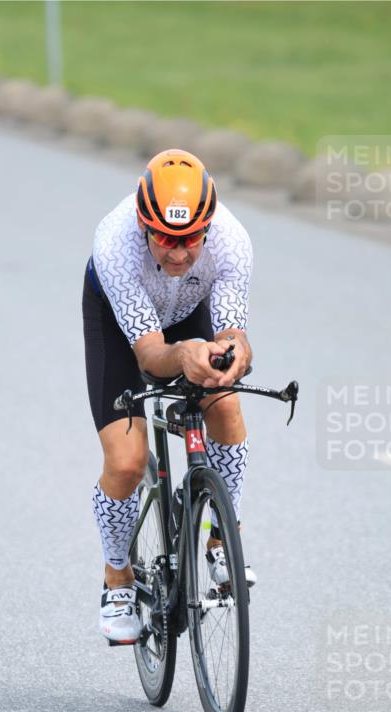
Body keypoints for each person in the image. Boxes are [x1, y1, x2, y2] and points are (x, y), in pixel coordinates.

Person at [83, 149, 255, 645]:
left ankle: (224, 538)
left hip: (189, 314)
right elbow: (151, 354)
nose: (178, 253)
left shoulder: (232, 242)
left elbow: (233, 331)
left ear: (209, 227)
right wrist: (184, 357)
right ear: (143, 225)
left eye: (190, 239)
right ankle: (117, 576)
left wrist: (233, 353)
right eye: (165, 238)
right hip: (123, 328)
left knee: (226, 406)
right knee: (127, 462)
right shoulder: (115, 245)